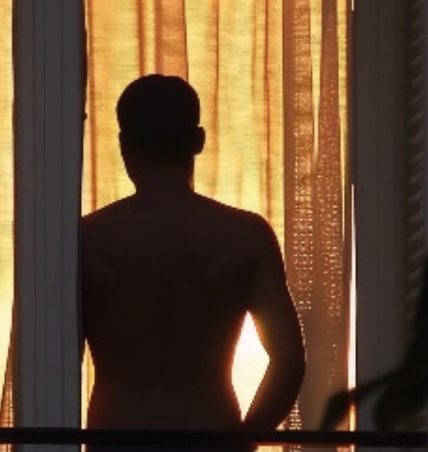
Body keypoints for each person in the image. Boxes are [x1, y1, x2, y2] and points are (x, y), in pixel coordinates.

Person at [80, 74, 306, 449]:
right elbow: (289, 362)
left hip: (117, 438)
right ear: (198, 141)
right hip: (210, 436)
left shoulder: (88, 240)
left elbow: (47, 363)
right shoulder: (245, 236)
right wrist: (244, 443)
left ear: (123, 144)